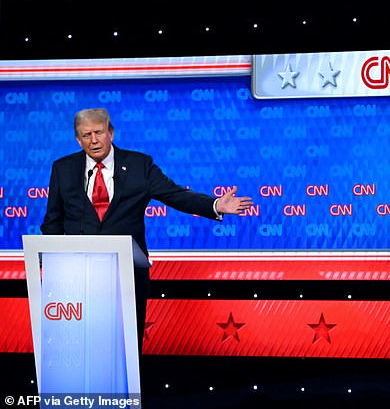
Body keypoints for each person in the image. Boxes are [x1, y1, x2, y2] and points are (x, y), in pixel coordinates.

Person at [40, 107, 254, 355]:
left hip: (127, 274)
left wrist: (215, 205)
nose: (93, 140)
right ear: (78, 139)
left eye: (98, 132)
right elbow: (53, 220)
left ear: (111, 132)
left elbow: (175, 195)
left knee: (126, 348)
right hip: (79, 276)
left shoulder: (139, 164)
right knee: (82, 348)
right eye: (86, 135)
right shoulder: (63, 168)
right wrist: (53, 265)